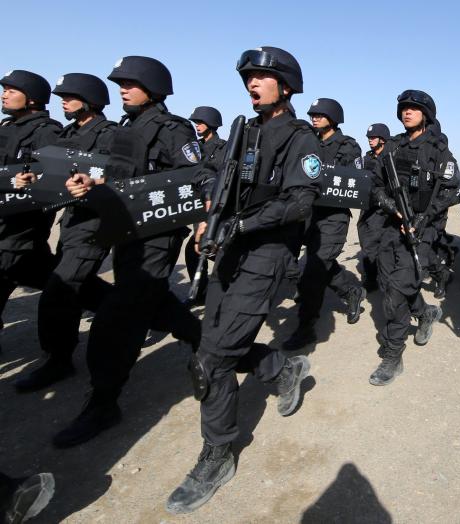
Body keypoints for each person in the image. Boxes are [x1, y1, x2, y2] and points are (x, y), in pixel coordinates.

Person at [166, 46, 318, 513]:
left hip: (266, 255)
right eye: (248, 77)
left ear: (285, 86)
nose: (252, 83)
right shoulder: (242, 131)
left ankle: (218, 454)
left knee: (211, 360)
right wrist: (208, 217)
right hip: (228, 250)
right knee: (213, 343)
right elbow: (221, 181)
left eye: (261, 77)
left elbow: (298, 203)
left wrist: (243, 224)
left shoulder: (300, 137)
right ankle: (280, 367)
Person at [52, 56, 203, 448]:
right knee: (156, 303)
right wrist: (92, 183)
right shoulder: (127, 129)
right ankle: (212, 344)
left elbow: (198, 177)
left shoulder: (173, 130)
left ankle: (104, 403)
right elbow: (119, 177)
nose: (122, 89)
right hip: (125, 231)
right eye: (119, 83)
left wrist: (202, 221)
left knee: (116, 321)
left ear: (152, 88)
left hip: (157, 235)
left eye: (130, 83)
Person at [14, 73, 117, 392]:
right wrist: (32, 178)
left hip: (95, 225)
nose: (62, 101)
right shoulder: (68, 133)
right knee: (81, 288)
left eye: (69, 95)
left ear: (90, 100)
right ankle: (131, 313)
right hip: (70, 223)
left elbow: (119, 173)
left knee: (59, 291)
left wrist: (94, 180)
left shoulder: (111, 134)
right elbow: (52, 174)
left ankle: (59, 359)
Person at [368, 89, 457, 386]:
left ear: (426, 115)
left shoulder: (438, 148)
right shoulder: (392, 146)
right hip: (392, 227)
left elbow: (449, 189)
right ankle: (425, 312)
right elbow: (376, 184)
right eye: (404, 108)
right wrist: (392, 207)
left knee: (395, 292)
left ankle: (392, 355)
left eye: (414, 109)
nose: (407, 112)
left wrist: (421, 219)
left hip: (423, 230)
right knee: (386, 282)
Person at [283, 97, 365, 350]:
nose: (314, 118)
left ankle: (306, 327)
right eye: (312, 114)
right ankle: (351, 290)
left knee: (313, 272)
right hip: (305, 214)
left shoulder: (348, 146)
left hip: (332, 218)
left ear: (334, 118)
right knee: (299, 265)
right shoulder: (306, 141)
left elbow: (357, 181)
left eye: (320, 114)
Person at [0, 70, 62, 347]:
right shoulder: (6, 128)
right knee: (57, 281)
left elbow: (53, 180)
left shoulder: (48, 132)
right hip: (5, 228)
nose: (4, 94)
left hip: (21, 231)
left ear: (33, 99)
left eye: (12, 90)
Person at [184, 105, 227, 305]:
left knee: (217, 249)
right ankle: (200, 292)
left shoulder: (225, 147)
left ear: (212, 124)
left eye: (201, 122)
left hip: (216, 205)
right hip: (196, 206)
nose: (198, 126)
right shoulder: (194, 148)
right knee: (194, 250)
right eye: (196, 123)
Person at [357, 123, 390, 291]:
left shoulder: (390, 157)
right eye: (368, 138)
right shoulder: (367, 158)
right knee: (364, 239)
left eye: (373, 138)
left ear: (383, 140)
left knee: (372, 245)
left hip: (381, 209)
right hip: (366, 206)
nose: (370, 141)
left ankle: (372, 279)